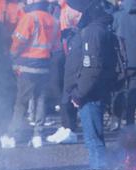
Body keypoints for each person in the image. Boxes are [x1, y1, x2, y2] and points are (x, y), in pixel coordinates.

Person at [63, 0, 116, 169]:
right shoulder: (89, 30)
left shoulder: (91, 32)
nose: (66, 13)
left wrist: (79, 93)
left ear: (79, 12)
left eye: (69, 9)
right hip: (89, 93)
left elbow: (91, 67)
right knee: (92, 138)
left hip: (90, 95)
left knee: (94, 140)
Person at [1, 2, 58, 149]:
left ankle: (12, 135)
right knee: (40, 100)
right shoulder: (53, 20)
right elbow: (56, 46)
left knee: (21, 102)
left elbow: (18, 41)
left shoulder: (29, 18)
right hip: (45, 65)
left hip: (27, 66)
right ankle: (37, 135)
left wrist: (12, 56)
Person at [46, 0, 83, 144]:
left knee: (65, 90)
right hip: (58, 52)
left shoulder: (70, 7)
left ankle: (69, 128)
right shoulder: (56, 7)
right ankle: (66, 125)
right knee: (58, 90)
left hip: (65, 52)